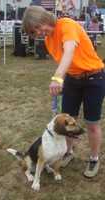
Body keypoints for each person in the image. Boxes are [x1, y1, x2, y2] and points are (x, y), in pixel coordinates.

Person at [22, 6, 105, 178]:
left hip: (94, 78)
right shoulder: (48, 40)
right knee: (68, 121)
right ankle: (68, 152)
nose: (38, 33)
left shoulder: (66, 25)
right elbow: (65, 61)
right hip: (72, 79)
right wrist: (63, 82)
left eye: (37, 28)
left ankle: (94, 158)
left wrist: (57, 78)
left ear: (43, 19)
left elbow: (69, 51)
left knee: (91, 123)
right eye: (33, 32)